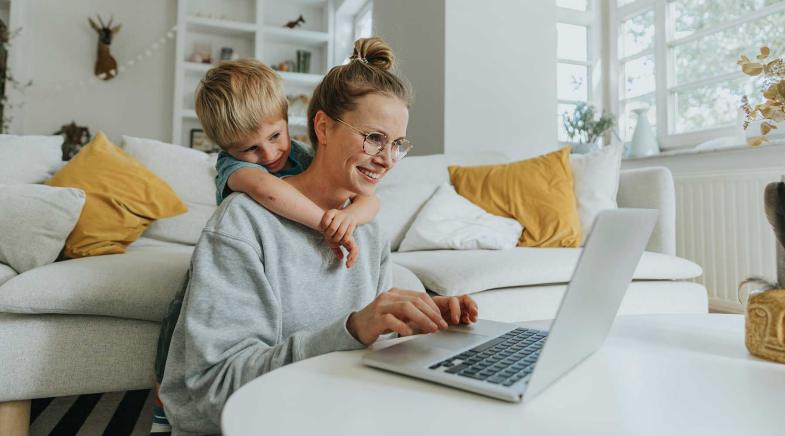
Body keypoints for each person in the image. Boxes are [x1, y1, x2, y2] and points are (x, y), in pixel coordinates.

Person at [157, 37, 479, 435]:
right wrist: (352, 329)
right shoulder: (242, 223)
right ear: (323, 127)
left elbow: (366, 347)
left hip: (342, 413)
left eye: (397, 144)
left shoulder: (368, 226)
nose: (387, 159)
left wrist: (414, 325)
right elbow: (208, 394)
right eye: (374, 138)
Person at [202, 58, 381, 266]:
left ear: (286, 117)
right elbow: (265, 189)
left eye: (275, 136)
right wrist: (326, 225)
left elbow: (370, 199)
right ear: (226, 148)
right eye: (250, 148)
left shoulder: (304, 154)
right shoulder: (232, 165)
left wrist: (349, 217)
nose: (269, 155)